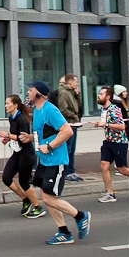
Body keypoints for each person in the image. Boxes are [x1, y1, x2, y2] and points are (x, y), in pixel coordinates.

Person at [28, 81, 92, 245]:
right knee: (45, 195)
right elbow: (44, 133)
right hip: (45, 160)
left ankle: (80, 216)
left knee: (49, 198)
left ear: (39, 94)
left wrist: (49, 146)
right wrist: (27, 138)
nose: (27, 92)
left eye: (30, 90)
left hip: (56, 160)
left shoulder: (50, 110)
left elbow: (67, 131)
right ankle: (64, 232)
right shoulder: (37, 111)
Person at [0, 94, 44, 218]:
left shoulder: (22, 119)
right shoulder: (11, 118)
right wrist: (7, 139)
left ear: (15, 105)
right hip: (17, 153)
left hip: (27, 153)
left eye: (7, 103)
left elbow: (23, 137)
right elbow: (14, 135)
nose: (5, 106)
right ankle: (26, 199)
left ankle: (37, 207)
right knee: (6, 177)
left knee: (24, 181)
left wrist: (8, 135)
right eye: (5, 103)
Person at [91, 86, 129, 203]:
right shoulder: (103, 109)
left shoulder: (114, 109)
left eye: (101, 94)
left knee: (122, 169)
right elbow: (105, 123)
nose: (99, 95)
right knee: (104, 165)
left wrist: (105, 124)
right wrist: (100, 124)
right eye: (99, 93)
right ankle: (110, 193)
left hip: (119, 143)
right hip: (108, 142)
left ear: (108, 97)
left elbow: (121, 126)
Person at [55, 74, 86, 182]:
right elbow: (63, 109)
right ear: (70, 82)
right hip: (69, 123)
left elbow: (79, 105)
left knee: (72, 148)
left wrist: (78, 95)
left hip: (73, 122)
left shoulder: (72, 92)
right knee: (68, 148)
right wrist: (74, 116)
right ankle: (67, 172)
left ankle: (71, 170)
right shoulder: (63, 93)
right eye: (75, 81)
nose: (77, 84)